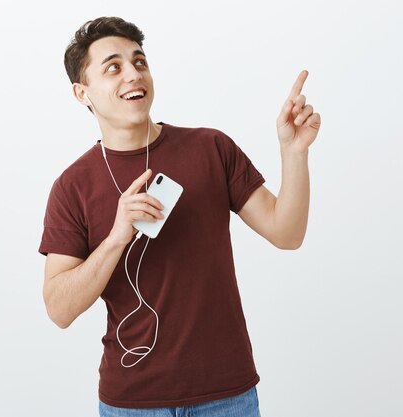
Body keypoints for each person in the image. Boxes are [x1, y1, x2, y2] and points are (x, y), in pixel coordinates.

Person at [38, 16, 321, 417]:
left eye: (139, 62)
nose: (133, 74)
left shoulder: (211, 148)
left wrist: (295, 153)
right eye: (113, 67)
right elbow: (58, 309)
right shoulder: (72, 186)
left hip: (227, 395)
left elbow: (287, 233)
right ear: (82, 93)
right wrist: (118, 235)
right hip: (131, 402)